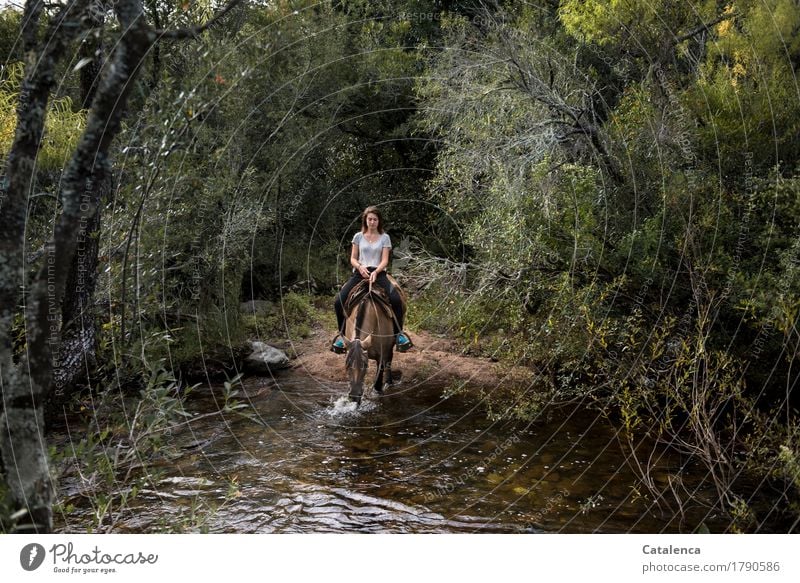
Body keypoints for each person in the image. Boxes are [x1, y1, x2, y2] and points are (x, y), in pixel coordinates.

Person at [332, 206, 412, 353]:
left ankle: (399, 334)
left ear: (379, 221)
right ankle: (341, 335)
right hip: (359, 274)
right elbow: (353, 258)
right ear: (365, 220)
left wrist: (376, 271)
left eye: (375, 219)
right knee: (338, 301)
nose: (372, 222)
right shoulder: (358, 236)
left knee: (396, 300)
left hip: (378, 273)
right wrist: (360, 267)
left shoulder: (384, 238)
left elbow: (385, 260)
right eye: (370, 219)